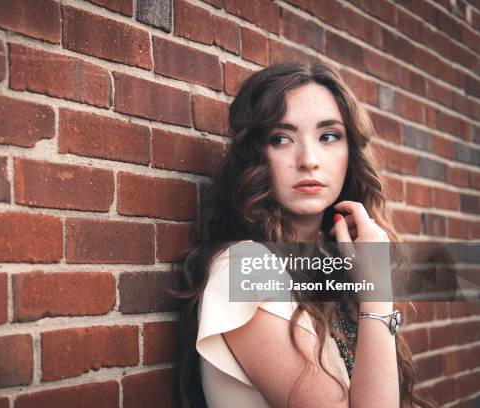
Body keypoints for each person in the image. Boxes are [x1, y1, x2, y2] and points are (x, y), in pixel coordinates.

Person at [170, 61, 437, 408]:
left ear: (349, 153)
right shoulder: (244, 269)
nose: (308, 159)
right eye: (281, 139)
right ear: (256, 156)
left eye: (328, 136)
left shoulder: (332, 266)